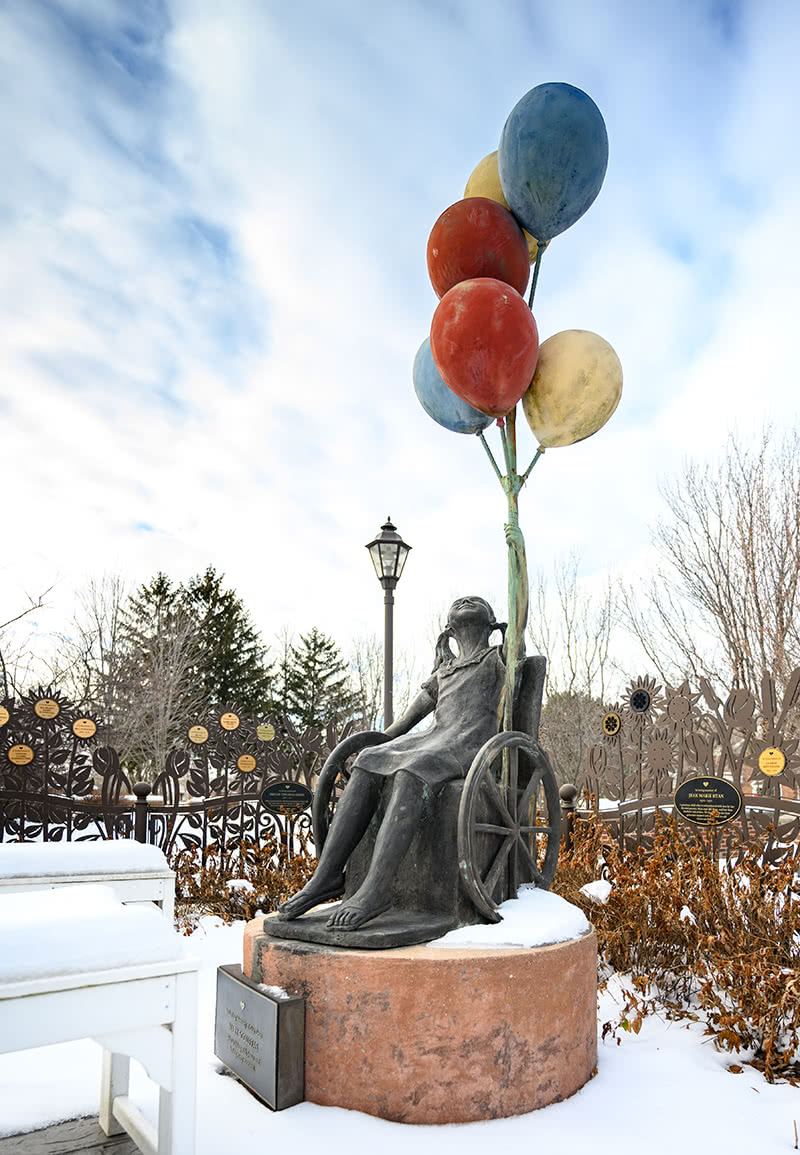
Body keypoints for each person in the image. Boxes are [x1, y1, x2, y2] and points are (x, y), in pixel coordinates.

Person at [280, 525, 528, 931]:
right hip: (433, 741)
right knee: (373, 761)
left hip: (470, 747)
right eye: (459, 602)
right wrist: (371, 747)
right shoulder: (444, 671)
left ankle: (376, 891)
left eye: (475, 601)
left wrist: (517, 556)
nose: (466, 600)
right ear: (448, 629)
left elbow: (520, 617)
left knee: (412, 770)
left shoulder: (499, 661)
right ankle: (326, 877)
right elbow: (399, 727)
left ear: (490, 624)